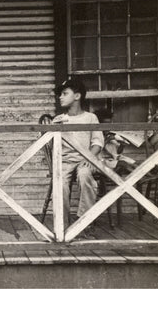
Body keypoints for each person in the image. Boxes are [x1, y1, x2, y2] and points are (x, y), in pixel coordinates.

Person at [52, 78, 104, 226]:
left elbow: (98, 142)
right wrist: (52, 129)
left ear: (77, 96)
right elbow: (51, 145)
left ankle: (85, 221)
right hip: (65, 162)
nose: (60, 97)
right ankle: (62, 224)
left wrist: (89, 157)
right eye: (60, 94)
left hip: (85, 160)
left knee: (85, 175)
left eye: (64, 94)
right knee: (60, 184)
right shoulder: (60, 119)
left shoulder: (90, 118)